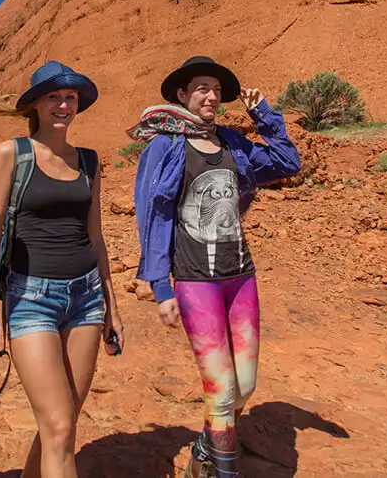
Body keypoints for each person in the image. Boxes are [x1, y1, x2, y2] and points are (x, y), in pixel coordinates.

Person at [130, 56, 301, 478]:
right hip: (194, 280)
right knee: (221, 390)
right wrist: (159, 284)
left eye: (215, 90)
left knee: (244, 387)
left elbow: (286, 162)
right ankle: (223, 471)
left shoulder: (230, 142)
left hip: (241, 276)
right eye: (201, 88)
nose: (210, 96)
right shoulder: (164, 146)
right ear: (183, 96)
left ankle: (205, 446)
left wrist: (263, 115)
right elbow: (152, 214)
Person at [0, 61, 125, 478]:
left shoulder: (90, 162)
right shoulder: (12, 154)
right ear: (37, 105)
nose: (63, 105)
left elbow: (96, 236)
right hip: (30, 299)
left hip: (87, 297)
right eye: (54, 97)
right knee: (59, 425)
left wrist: (112, 305)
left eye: (70, 98)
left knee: (61, 424)